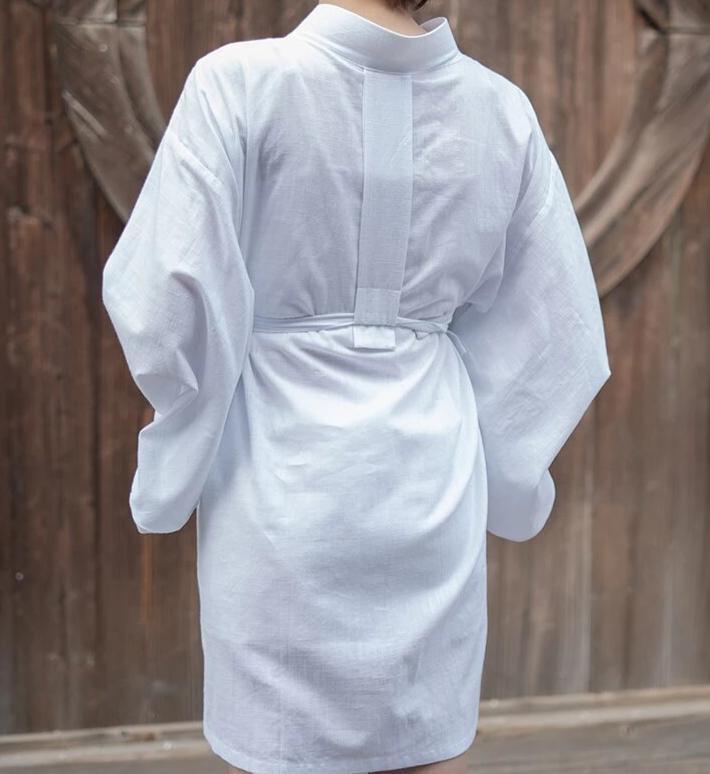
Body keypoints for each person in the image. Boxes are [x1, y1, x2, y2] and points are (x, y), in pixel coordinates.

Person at [101, 0, 612, 772]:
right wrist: (507, 476)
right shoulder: (500, 112)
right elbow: (556, 331)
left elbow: (168, 303)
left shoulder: (239, 84)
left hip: (278, 481)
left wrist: (180, 442)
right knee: (425, 743)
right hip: (431, 483)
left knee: (281, 749)